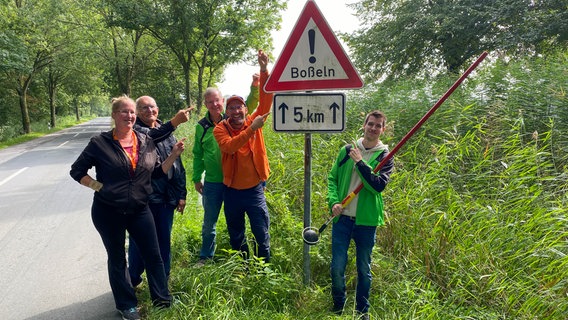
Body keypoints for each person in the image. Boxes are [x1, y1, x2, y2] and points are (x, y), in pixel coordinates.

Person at [70, 95, 188, 320]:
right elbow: (77, 171)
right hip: (108, 211)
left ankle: (162, 300)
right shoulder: (100, 143)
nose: (129, 115)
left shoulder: (144, 140)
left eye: (132, 112)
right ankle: (127, 306)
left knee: (153, 255)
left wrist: (173, 156)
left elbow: (155, 173)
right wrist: (99, 187)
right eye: (124, 111)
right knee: (117, 259)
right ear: (114, 115)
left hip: (139, 209)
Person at [327, 110, 395, 320]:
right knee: (337, 266)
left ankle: (362, 311)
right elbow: (332, 179)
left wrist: (360, 163)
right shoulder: (347, 150)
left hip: (366, 222)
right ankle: (338, 306)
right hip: (342, 219)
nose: (373, 129)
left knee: (363, 268)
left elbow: (376, 187)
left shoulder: (385, 156)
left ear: (383, 130)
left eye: (378, 126)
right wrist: (334, 202)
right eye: (370, 124)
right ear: (364, 125)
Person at [192, 74, 260, 266]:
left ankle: (242, 258)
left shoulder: (232, 118)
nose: (214, 104)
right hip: (213, 182)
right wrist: (197, 178)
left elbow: (249, 105)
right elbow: (198, 154)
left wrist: (254, 86)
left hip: (235, 181)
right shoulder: (202, 127)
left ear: (222, 101)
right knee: (209, 223)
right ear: (205, 104)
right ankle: (206, 256)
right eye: (210, 102)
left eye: (217, 100)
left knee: (237, 223)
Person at [213, 50, 273, 262]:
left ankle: (264, 269)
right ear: (226, 112)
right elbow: (229, 147)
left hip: (254, 189)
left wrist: (264, 70)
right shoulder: (220, 129)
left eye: (239, 106)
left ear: (246, 109)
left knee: (261, 231)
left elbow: (266, 101)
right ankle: (243, 267)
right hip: (231, 192)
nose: (236, 111)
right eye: (231, 107)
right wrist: (251, 130)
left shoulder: (253, 119)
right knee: (236, 235)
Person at [127, 95, 188, 287]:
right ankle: (133, 279)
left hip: (166, 198)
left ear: (158, 109)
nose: (149, 111)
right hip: (147, 199)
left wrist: (181, 194)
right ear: (137, 113)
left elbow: (177, 164)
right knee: (139, 242)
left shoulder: (166, 132)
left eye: (152, 107)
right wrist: (174, 122)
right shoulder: (137, 132)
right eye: (143, 108)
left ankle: (162, 281)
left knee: (163, 241)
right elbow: (150, 138)